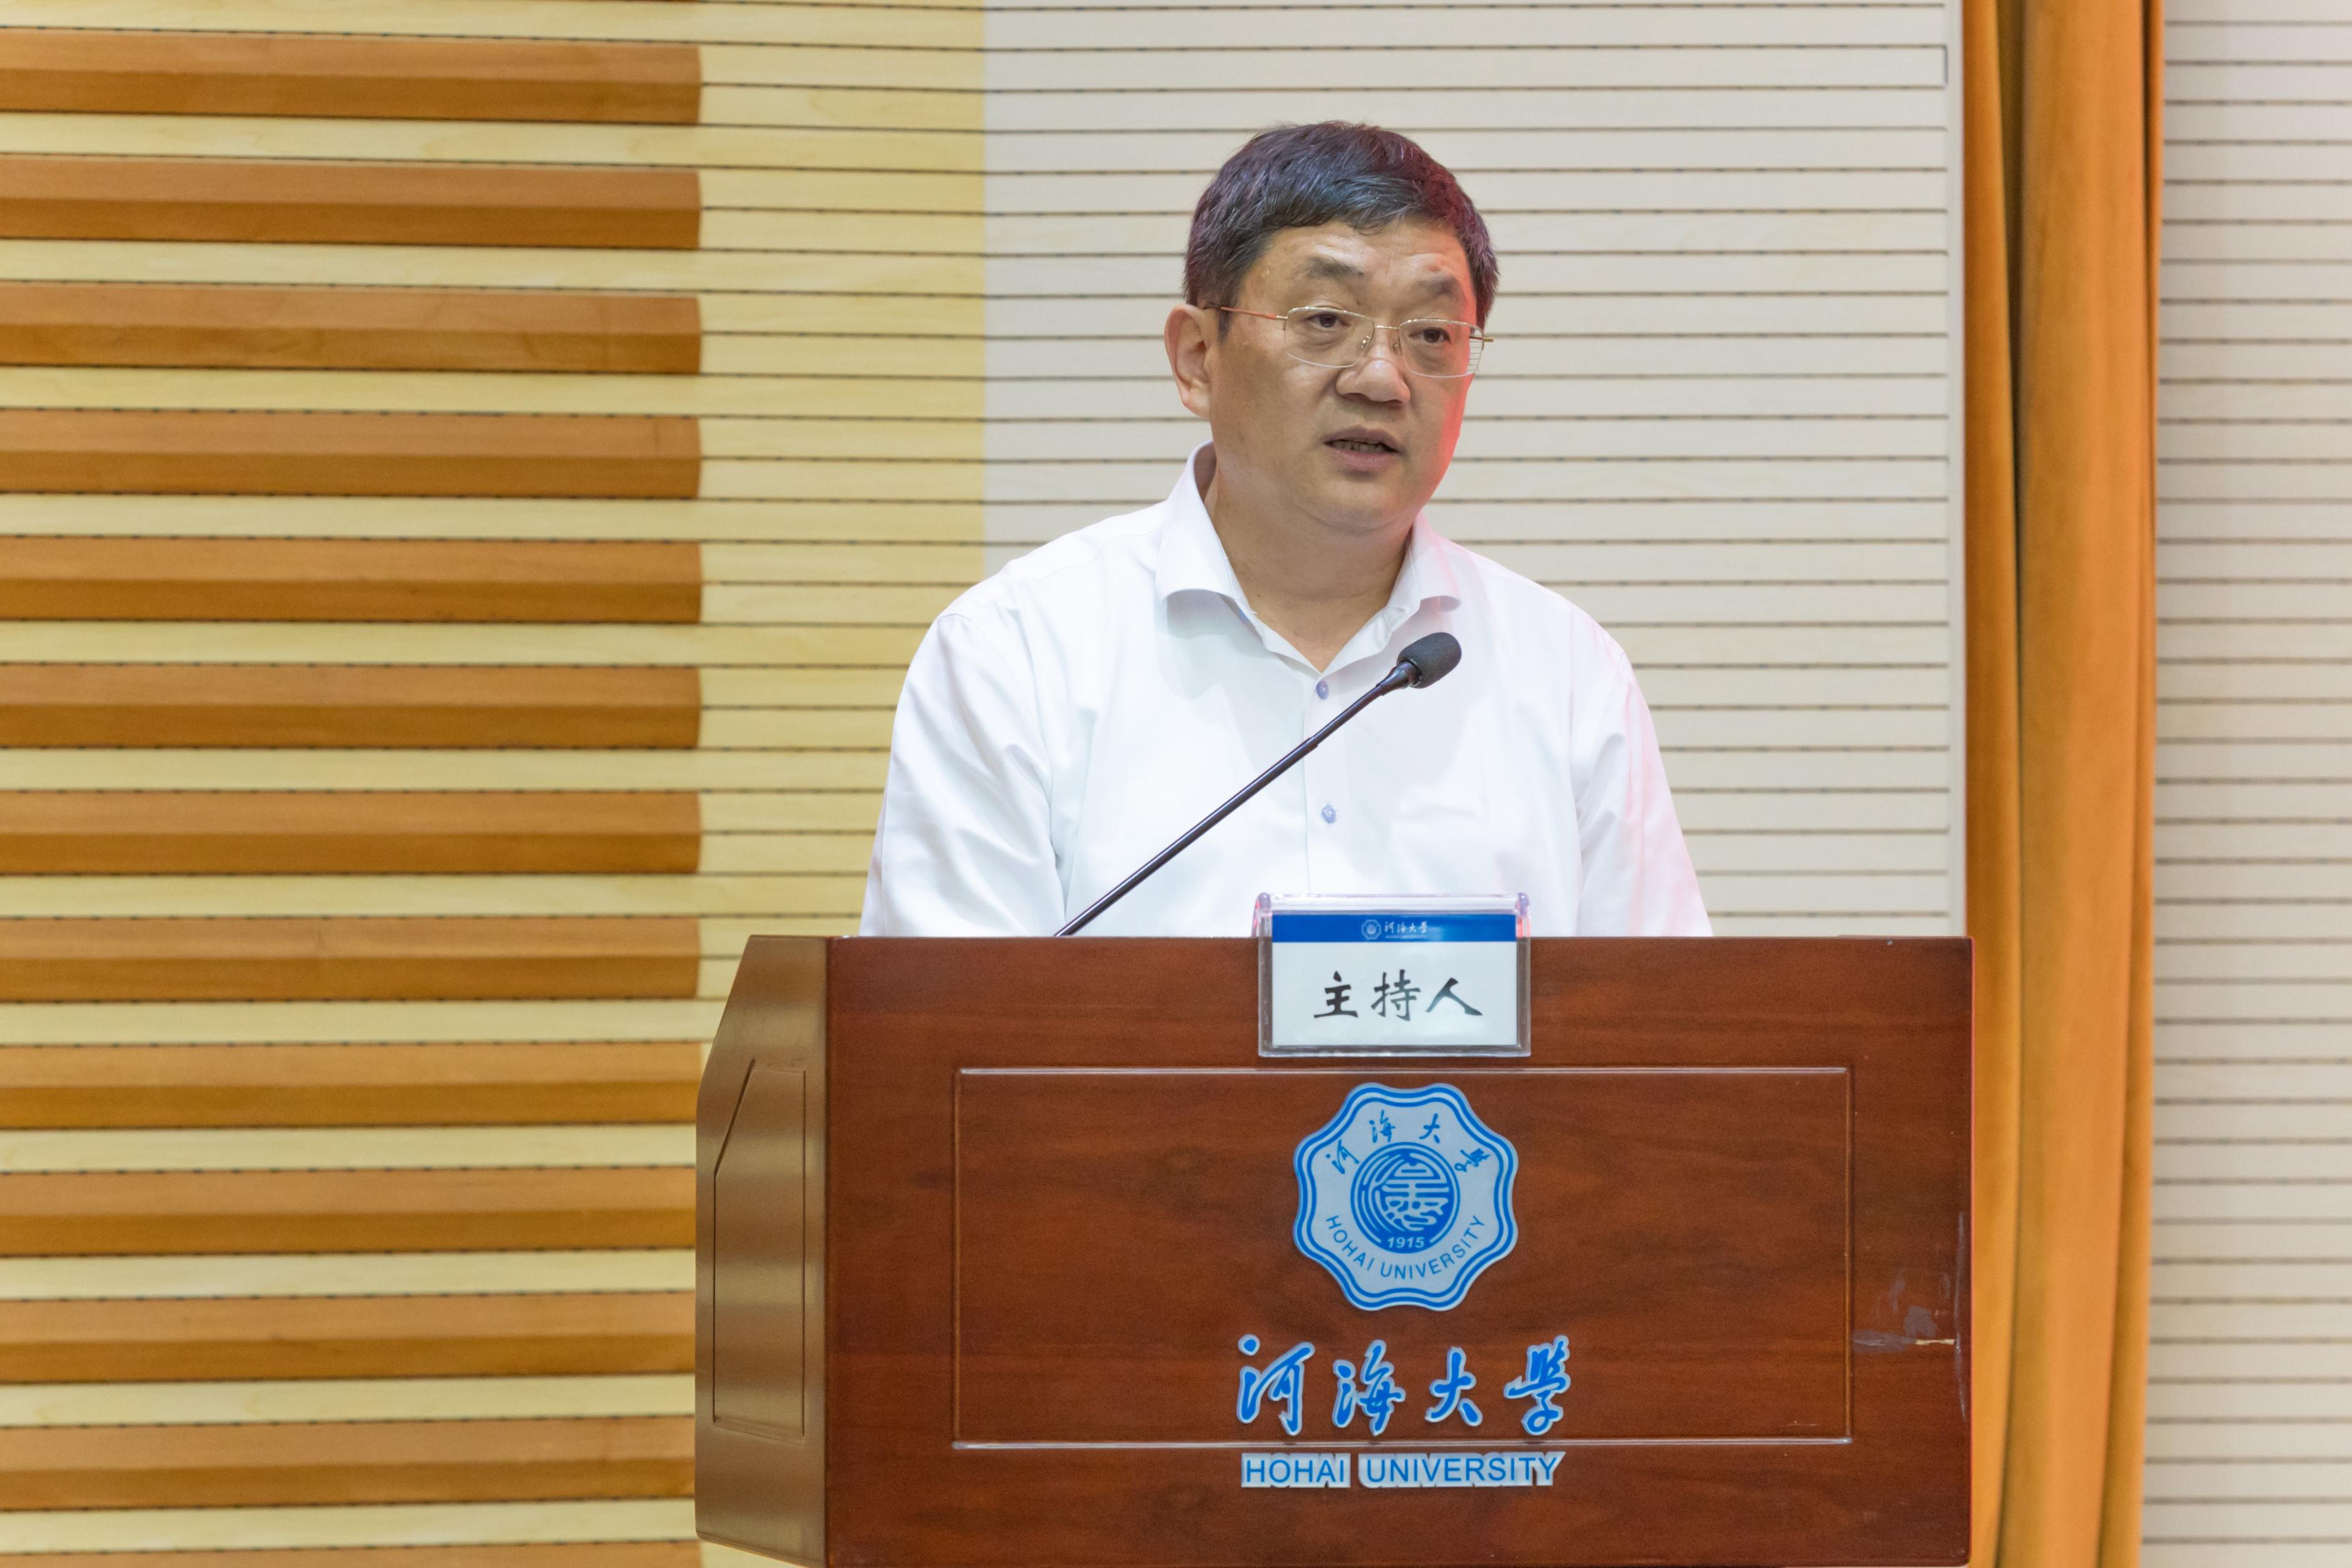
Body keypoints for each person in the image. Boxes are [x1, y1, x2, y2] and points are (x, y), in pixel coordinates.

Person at [860, 122, 1707, 938]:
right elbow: (948, 1027)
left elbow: (1665, 1020)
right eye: (1325, 321)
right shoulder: (1016, 654)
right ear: (1198, 358)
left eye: (1431, 335)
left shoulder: (1566, 674)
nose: (1382, 379)